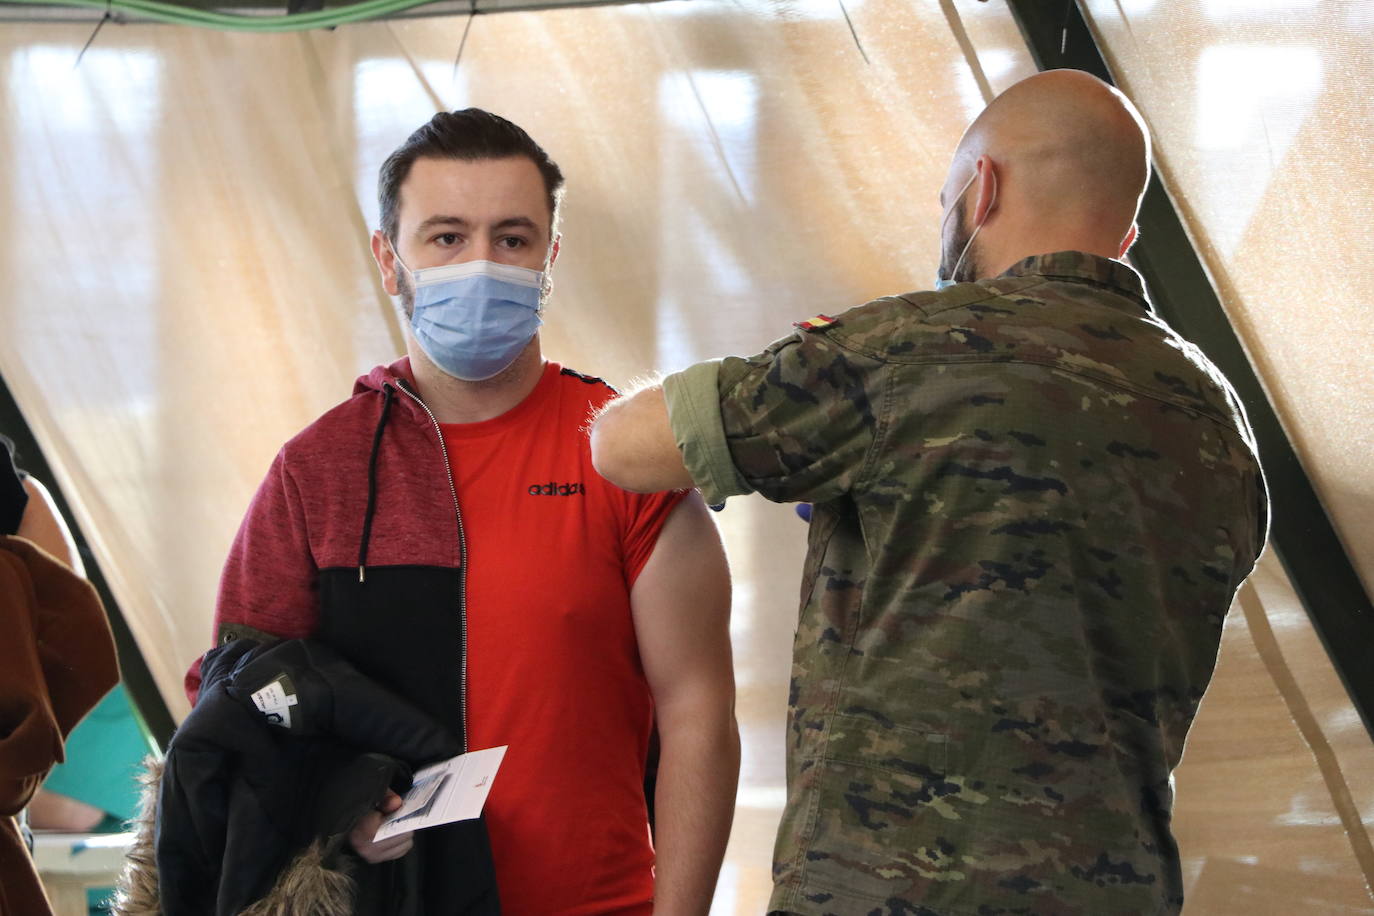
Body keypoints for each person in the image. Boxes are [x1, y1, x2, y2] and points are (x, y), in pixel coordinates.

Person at [590, 69, 1268, 915]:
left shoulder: (905, 352)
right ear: (1125, 238)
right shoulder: (1216, 419)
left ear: (982, 188)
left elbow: (626, 446)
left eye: (949, 193)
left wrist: (811, 394)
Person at [186, 109, 738, 915]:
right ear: (389, 258)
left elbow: (698, 710)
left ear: (550, 255)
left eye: (512, 239)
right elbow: (237, 701)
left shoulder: (626, 458)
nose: (481, 263)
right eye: (446, 237)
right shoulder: (320, 472)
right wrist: (338, 802)